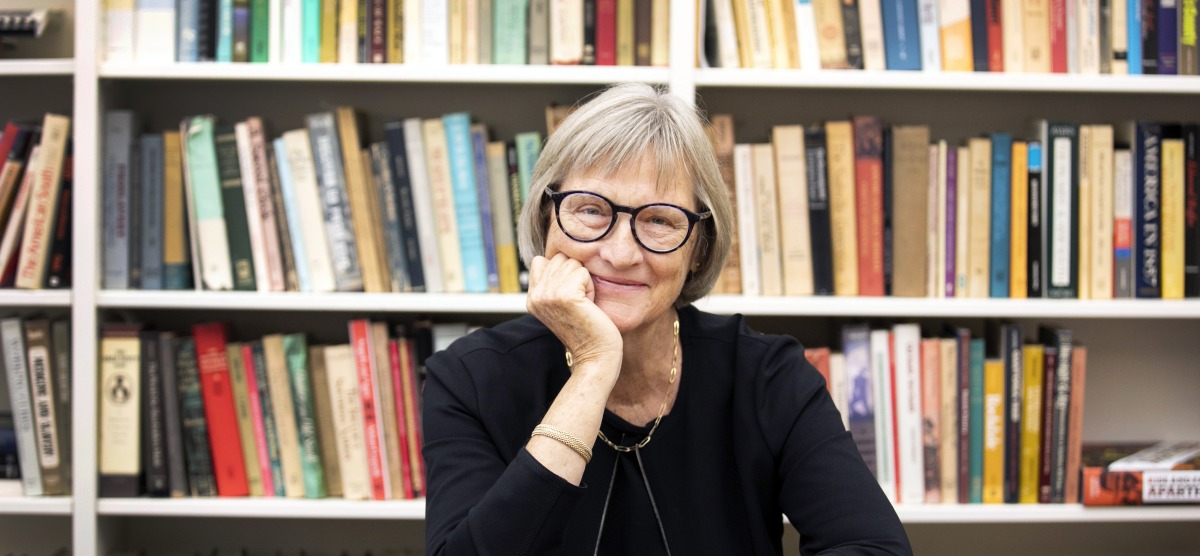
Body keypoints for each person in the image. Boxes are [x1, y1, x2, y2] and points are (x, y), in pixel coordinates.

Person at [423, 83, 912, 556]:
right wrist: (593, 369)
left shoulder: (767, 376)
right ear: (545, 220)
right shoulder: (469, 379)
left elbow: (873, 548)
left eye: (658, 220)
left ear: (699, 248)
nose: (618, 253)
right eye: (591, 210)